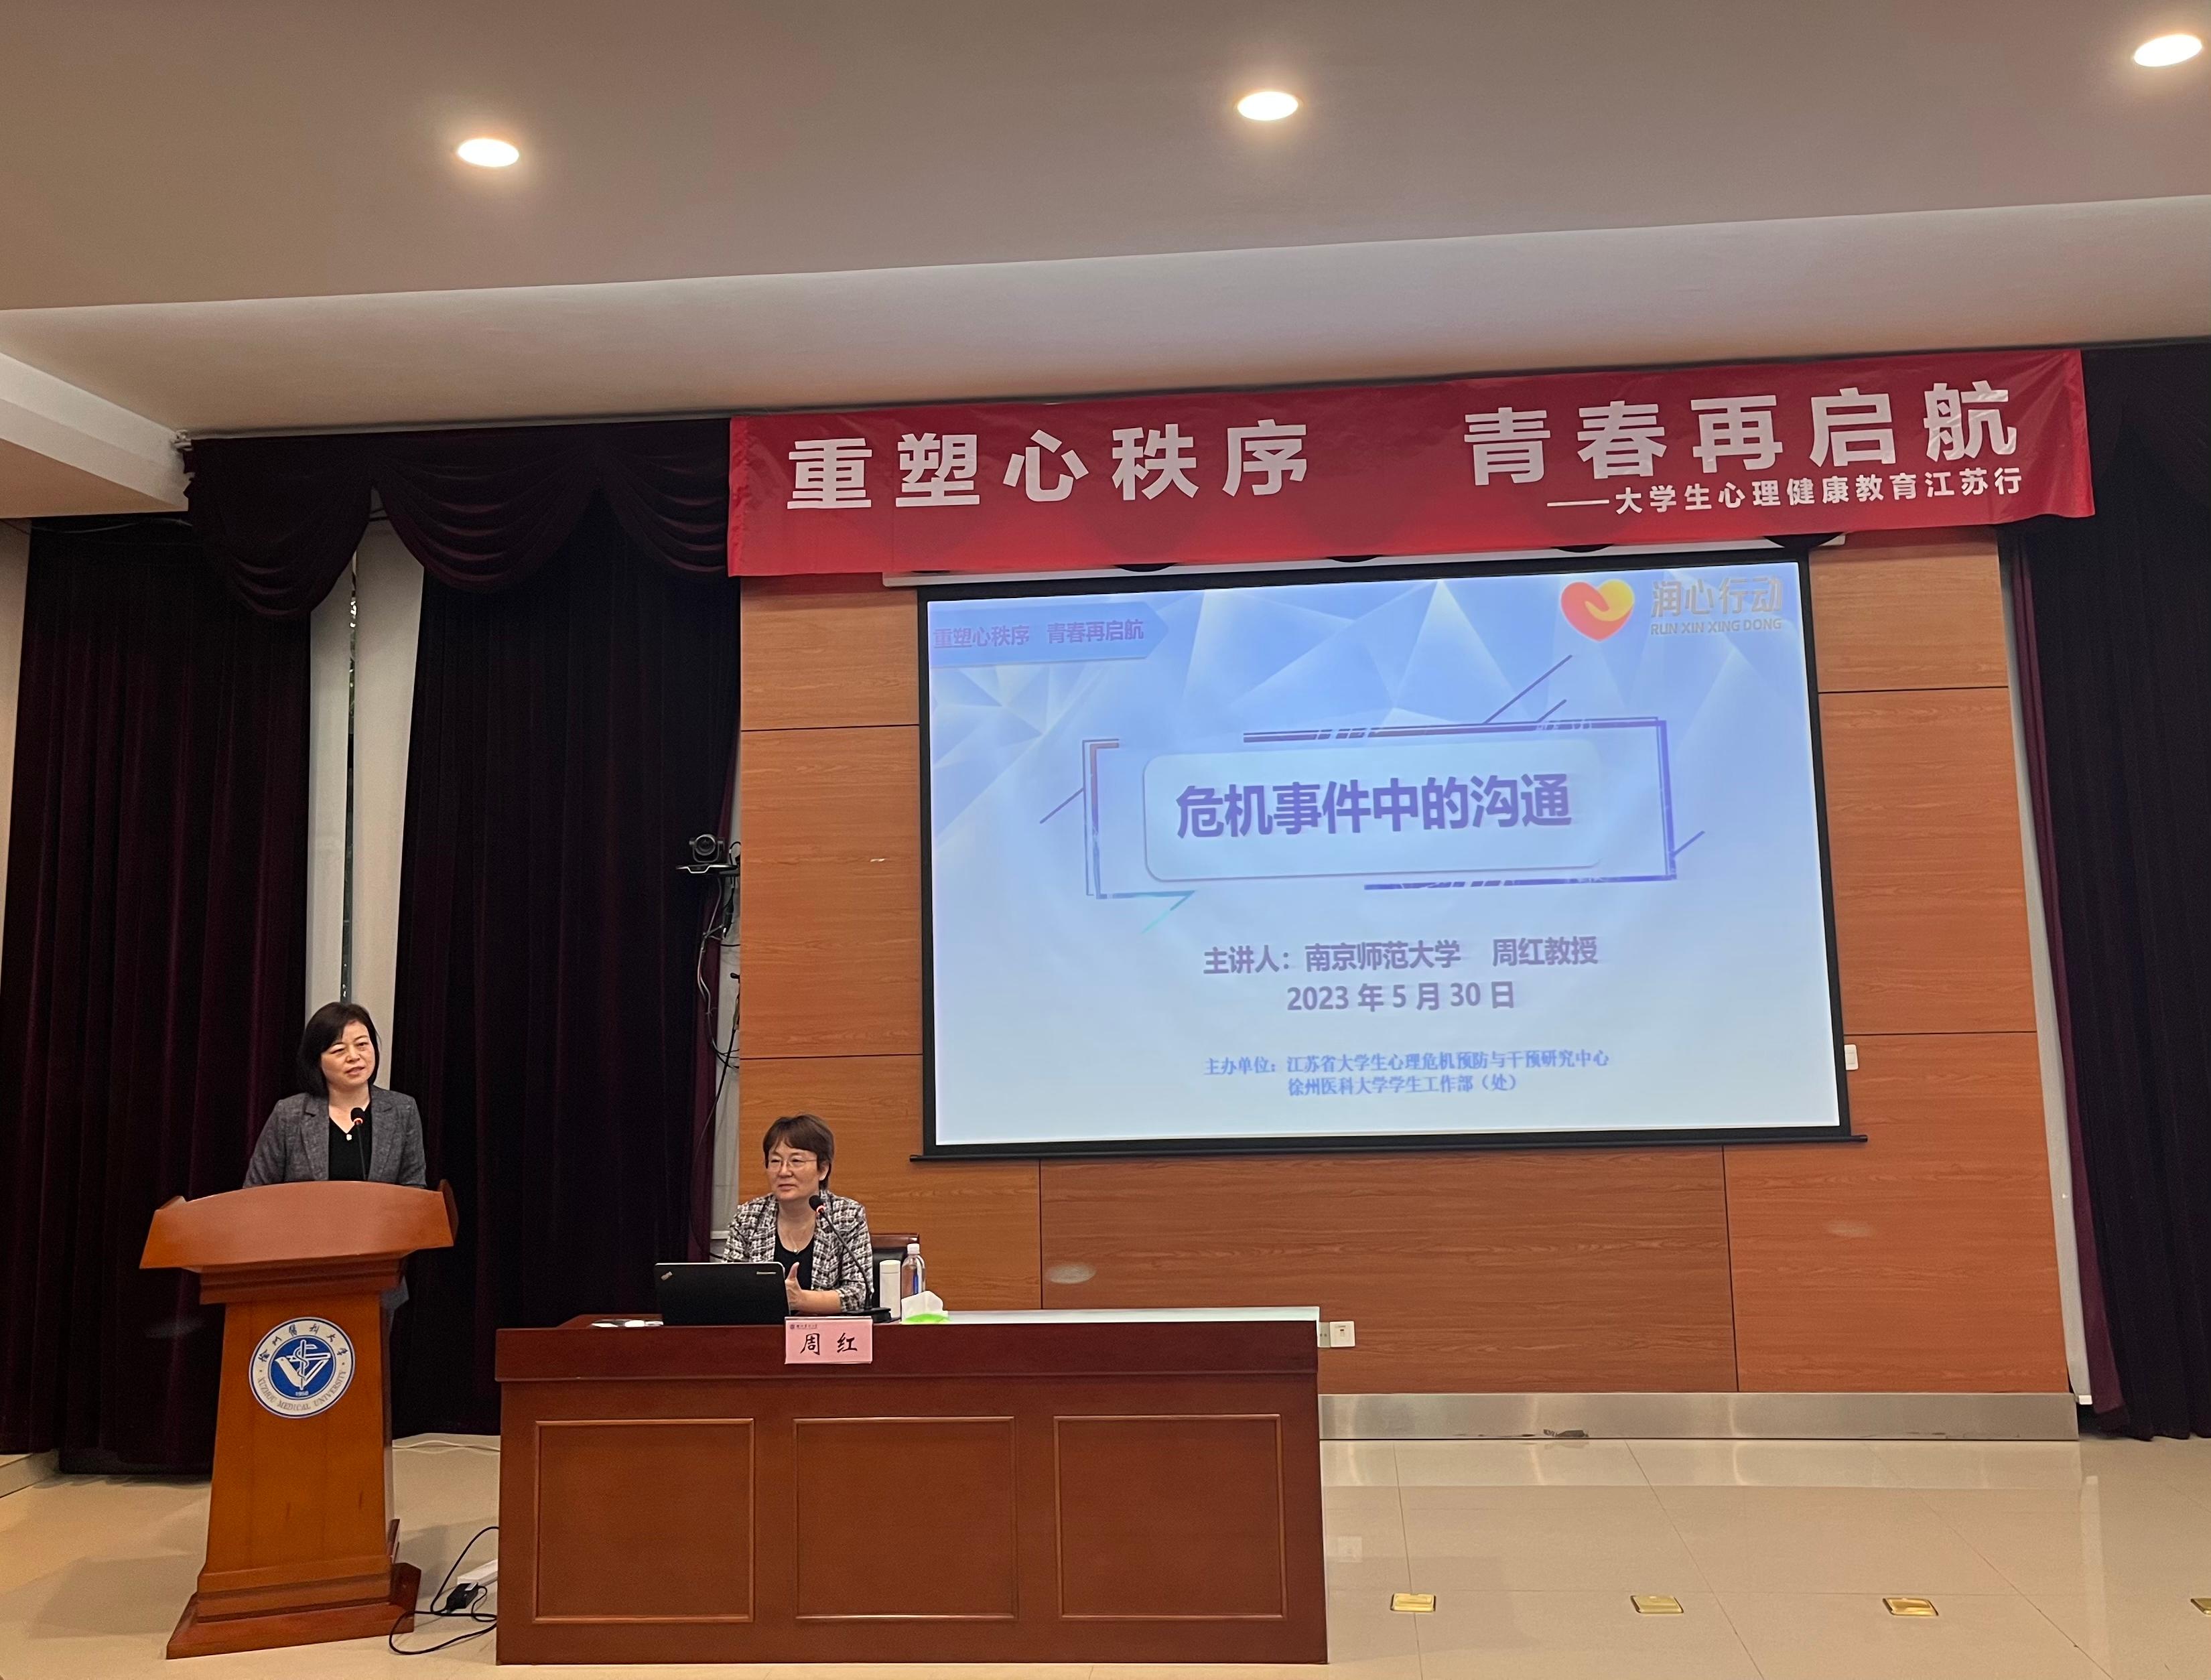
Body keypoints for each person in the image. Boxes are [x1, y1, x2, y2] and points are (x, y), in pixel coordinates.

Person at [722, 1113, 874, 1314]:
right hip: (764, 1329)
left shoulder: (847, 1216)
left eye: (796, 1161)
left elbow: (859, 1294)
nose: (784, 1171)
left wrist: (801, 1300)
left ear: (822, 1169)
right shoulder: (748, 1218)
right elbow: (729, 1289)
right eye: (775, 1161)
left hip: (825, 1331)